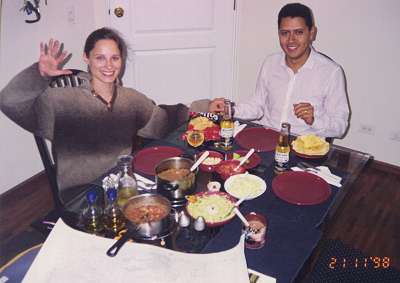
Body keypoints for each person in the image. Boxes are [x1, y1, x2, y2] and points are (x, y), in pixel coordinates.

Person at [0, 27, 208, 200]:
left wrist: (204, 108)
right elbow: (10, 101)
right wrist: (39, 74)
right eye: (100, 58)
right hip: (81, 196)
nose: (108, 65)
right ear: (86, 58)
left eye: (115, 58)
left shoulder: (131, 100)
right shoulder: (61, 102)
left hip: (123, 189)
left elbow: (164, 119)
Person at [209, 3, 349, 138]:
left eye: (299, 32)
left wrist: (314, 119)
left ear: (311, 33)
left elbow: (340, 127)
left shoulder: (331, 72)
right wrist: (230, 110)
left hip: (303, 149)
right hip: (266, 140)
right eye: (285, 33)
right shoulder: (270, 63)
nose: (291, 40)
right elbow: (258, 104)